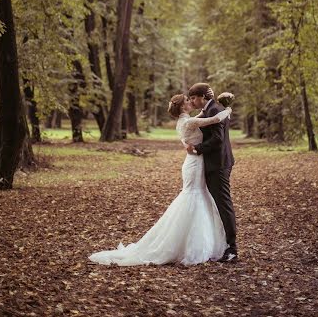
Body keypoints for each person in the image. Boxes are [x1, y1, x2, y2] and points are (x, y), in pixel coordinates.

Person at [88, 94, 231, 266]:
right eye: (187, 101)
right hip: (194, 163)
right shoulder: (188, 122)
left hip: (195, 161)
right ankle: (188, 244)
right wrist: (228, 109)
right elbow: (214, 119)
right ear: (182, 107)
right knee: (193, 196)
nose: (190, 102)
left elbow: (202, 116)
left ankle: (195, 241)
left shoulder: (186, 120)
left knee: (199, 195)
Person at [187, 83, 237, 263]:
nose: (192, 101)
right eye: (190, 98)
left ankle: (232, 248)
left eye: (194, 98)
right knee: (217, 204)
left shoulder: (215, 109)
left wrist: (197, 148)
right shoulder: (212, 109)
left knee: (224, 204)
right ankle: (221, 243)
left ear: (203, 96)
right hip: (214, 163)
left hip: (219, 164)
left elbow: (217, 139)